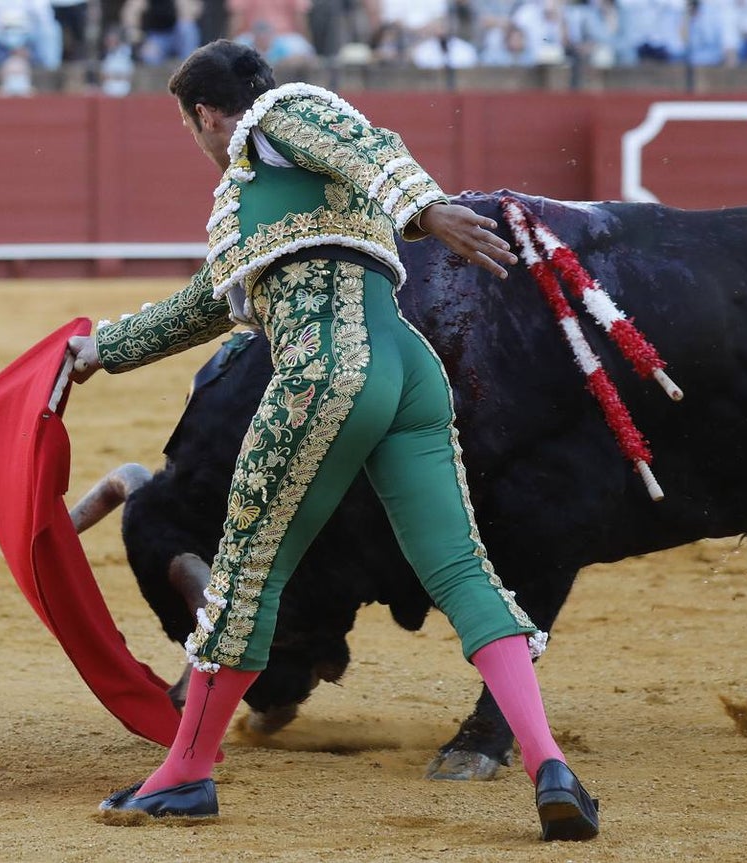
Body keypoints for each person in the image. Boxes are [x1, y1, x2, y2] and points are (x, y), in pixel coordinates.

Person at [66, 38, 599, 843]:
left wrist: (428, 209)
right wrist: (100, 350)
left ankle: (184, 775)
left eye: (194, 127)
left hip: (328, 367)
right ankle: (548, 764)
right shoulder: (270, 196)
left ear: (207, 114)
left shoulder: (280, 114)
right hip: (404, 371)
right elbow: (208, 304)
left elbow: (369, 146)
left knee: (246, 573)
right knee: (460, 565)